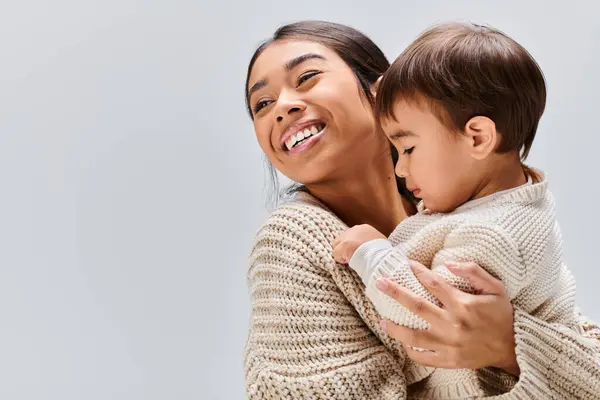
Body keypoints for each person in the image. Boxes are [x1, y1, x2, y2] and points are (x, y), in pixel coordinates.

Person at [244, 20, 600, 399]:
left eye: (307, 76)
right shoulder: (291, 239)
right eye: (262, 105)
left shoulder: (466, 210)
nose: (282, 107)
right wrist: (512, 350)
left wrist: (509, 345)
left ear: (380, 91)